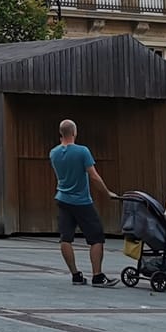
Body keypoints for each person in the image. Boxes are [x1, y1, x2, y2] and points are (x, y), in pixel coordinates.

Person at [51, 119, 116, 286]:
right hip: (82, 201)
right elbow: (93, 176)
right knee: (96, 237)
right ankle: (97, 276)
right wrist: (107, 192)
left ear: (60, 134)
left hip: (62, 199)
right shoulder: (82, 151)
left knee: (66, 238)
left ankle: (76, 275)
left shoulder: (54, 153)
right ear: (74, 132)